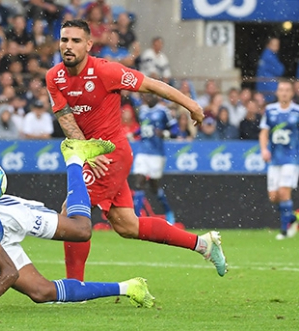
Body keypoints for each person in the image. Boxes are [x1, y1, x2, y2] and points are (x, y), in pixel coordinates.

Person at [45, 20, 227, 281]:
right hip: (92, 155)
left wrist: (191, 105)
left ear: (88, 45)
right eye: (64, 40)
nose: (68, 46)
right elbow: (64, 116)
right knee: (127, 225)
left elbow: (153, 85)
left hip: (112, 154)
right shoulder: (54, 76)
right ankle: (202, 244)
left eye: (75, 41)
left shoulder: (107, 71)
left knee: (73, 217)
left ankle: (74, 288)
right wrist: (86, 150)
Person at [0, 139, 156, 311]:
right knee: (41, 293)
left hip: (4, 216)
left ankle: (75, 157)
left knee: (81, 230)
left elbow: (8, 273)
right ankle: (130, 287)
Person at [259, 79, 299, 240]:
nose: (284, 92)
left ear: (292, 93)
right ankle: (292, 218)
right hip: (274, 159)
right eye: (281, 89)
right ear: (277, 92)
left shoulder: (297, 111)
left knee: (284, 192)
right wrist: (263, 149)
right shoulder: (270, 110)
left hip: (292, 158)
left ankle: (284, 230)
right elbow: (264, 132)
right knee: (274, 196)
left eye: (287, 90)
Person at [130, 93, 179, 225]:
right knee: (139, 182)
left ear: (156, 97)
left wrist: (165, 133)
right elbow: (144, 128)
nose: (147, 98)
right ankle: (135, 217)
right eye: (146, 95)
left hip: (157, 154)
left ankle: (168, 211)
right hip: (142, 152)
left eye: (150, 95)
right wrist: (134, 134)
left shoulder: (163, 111)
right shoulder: (143, 111)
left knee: (154, 186)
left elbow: (175, 129)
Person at [256, 37, 284, 103]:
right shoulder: (268, 55)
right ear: (268, 45)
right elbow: (280, 70)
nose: (276, 47)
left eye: (277, 44)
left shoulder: (269, 55)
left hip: (266, 87)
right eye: (273, 44)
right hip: (269, 88)